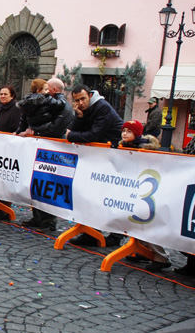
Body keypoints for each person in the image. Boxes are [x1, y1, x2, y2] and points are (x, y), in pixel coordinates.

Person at [67, 84, 124, 247]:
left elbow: (93, 134)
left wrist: (71, 136)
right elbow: (76, 130)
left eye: (83, 99)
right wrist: (78, 116)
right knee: (92, 194)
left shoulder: (102, 107)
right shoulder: (84, 110)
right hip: (99, 157)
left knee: (112, 197)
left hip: (114, 156)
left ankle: (116, 235)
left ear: (90, 95)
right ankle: (90, 232)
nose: (80, 103)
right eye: (77, 100)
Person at [19, 77, 75, 231]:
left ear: (53, 90)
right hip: (41, 149)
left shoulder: (62, 107)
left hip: (53, 152)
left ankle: (48, 220)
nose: (44, 92)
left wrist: (35, 131)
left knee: (48, 185)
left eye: (46, 88)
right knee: (36, 184)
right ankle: (38, 217)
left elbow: (55, 129)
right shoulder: (44, 103)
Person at [117, 120, 171, 271]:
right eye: (124, 131)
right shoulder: (124, 147)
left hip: (147, 192)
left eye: (129, 131)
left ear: (137, 134)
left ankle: (162, 257)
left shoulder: (145, 149)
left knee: (148, 222)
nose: (125, 134)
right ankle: (141, 249)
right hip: (132, 189)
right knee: (135, 220)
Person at [0, 85, 22, 220]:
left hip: (9, 147)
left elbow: (16, 127)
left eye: (5, 94)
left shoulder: (16, 109)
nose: (2, 96)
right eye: (1, 94)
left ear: (12, 95)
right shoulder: (1, 108)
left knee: (6, 179)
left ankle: (5, 208)